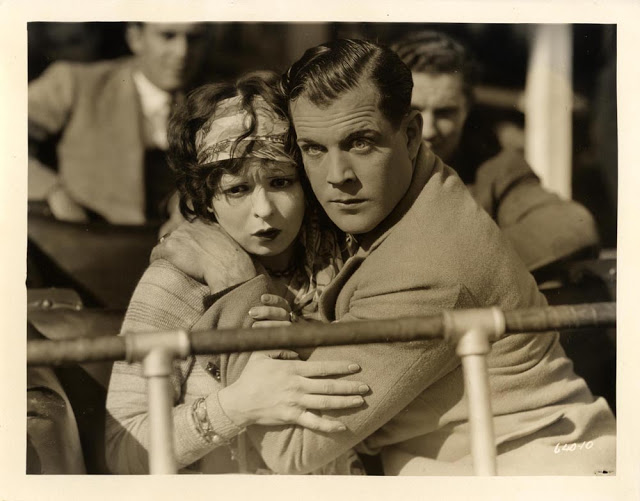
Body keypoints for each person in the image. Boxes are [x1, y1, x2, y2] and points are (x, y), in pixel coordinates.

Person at [155, 38, 615, 476]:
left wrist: (236, 282)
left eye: (360, 142)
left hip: (532, 475)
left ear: (411, 134)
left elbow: (292, 447)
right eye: (313, 149)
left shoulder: (427, 265)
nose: (337, 176)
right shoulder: (417, 191)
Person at [105, 72, 368, 475]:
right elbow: (123, 449)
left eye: (280, 182)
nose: (264, 210)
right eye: (237, 189)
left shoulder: (346, 261)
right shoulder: (176, 282)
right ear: (206, 199)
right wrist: (237, 406)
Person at [391, 31, 600, 274]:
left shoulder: (494, 170)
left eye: (445, 112)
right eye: (412, 111)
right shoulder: (357, 167)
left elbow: (571, 227)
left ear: (467, 110)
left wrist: (450, 265)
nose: (429, 130)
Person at [28, 22, 209, 225]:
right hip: (90, 236)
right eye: (167, 36)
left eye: (194, 39)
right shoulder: (76, 83)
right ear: (135, 38)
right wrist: (52, 192)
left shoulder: (214, 99)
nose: (182, 52)